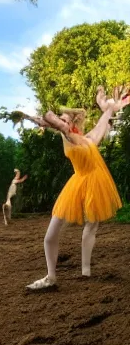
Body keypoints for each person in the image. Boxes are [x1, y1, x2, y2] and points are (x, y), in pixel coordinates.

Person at [26, 85, 129, 289]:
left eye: (65, 119)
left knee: (90, 227)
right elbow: (60, 125)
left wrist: (108, 109)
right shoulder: (74, 137)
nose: (62, 123)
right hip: (81, 183)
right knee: (50, 237)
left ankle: (84, 271)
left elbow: (99, 124)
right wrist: (108, 108)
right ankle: (52, 277)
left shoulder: (88, 138)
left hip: (93, 182)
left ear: (73, 123)